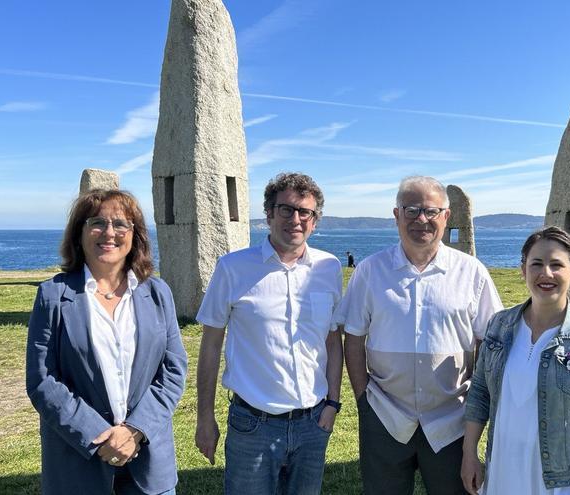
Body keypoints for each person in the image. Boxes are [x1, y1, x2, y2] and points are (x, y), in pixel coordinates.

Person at [338, 176, 503, 495]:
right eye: (411, 210)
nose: (421, 219)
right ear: (396, 215)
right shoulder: (370, 270)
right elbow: (354, 338)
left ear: (446, 216)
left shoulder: (472, 272)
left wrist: (475, 401)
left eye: (431, 210)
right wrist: (363, 399)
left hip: (452, 418)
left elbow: (488, 341)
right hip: (384, 414)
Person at [26, 189, 188, 495]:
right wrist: (98, 435)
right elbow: (42, 380)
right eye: (97, 223)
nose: (109, 233)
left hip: (149, 463)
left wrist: (134, 431)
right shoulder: (52, 296)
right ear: (80, 232)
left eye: (121, 224)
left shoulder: (158, 293)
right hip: (77, 464)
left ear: (134, 235)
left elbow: (173, 369)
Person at [195, 172, 343, 494]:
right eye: (286, 209)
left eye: (306, 212)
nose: (296, 219)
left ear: (315, 221)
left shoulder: (329, 268)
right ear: (269, 214)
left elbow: (332, 339)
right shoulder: (233, 268)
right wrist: (205, 417)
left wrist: (333, 403)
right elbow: (210, 345)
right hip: (252, 426)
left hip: (313, 423)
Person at [461, 226, 570, 495]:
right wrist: (469, 455)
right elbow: (479, 394)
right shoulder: (499, 326)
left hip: (563, 484)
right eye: (536, 264)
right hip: (503, 471)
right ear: (523, 269)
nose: (546, 273)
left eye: (556, 265)